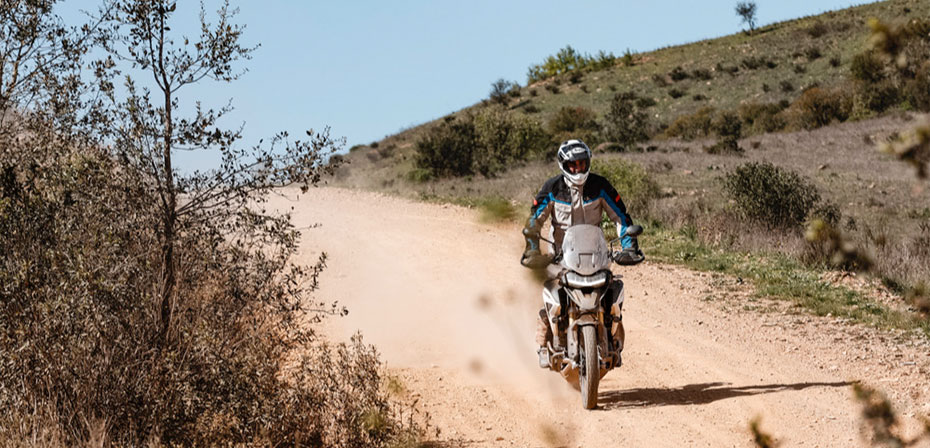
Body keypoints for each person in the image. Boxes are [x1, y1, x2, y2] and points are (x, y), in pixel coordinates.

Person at [520, 139, 643, 368]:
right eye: (573, 165)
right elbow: (534, 221)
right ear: (563, 165)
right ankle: (544, 343)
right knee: (552, 294)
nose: (578, 169)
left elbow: (621, 217)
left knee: (612, 290)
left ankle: (613, 334)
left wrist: (629, 246)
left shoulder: (600, 186)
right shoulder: (552, 188)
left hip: (595, 254)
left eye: (582, 163)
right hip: (561, 256)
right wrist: (533, 249)